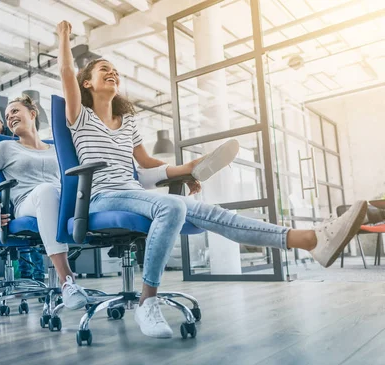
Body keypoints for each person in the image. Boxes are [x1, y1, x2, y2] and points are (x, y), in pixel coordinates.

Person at [57, 20, 368, 339]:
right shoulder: (81, 116)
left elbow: (148, 164)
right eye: (103, 70)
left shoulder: (128, 123)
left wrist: (189, 168)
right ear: (86, 84)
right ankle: (146, 301)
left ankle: (309, 240)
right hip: (102, 196)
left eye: (115, 71)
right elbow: (67, 73)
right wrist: (64, 37)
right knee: (172, 208)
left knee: (210, 211)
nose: (113, 73)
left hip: (135, 192)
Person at [0, 95, 89, 310]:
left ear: (32, 113)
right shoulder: (5, 147)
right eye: (7, 116)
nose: (10, 117)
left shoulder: (57, 148)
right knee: (46, 191)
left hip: (63, 201)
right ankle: (67, 281)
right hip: (27, 203)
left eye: (14, 111)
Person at [0, 107, 45, 281]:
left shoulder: (16, 137)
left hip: (21, 187)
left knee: (32, 231)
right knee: (19, 230)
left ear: (2, 122)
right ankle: (25, 274)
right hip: (0, 190)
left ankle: (38, 273)